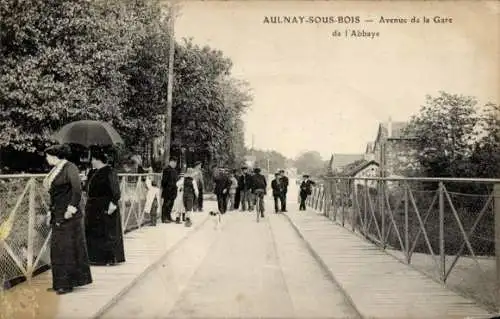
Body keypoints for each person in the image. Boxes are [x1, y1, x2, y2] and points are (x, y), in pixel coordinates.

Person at [43, 144, 92, 295]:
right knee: (57, 249)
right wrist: (51, 212)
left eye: (48, 156)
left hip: (68, 215)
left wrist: (71, 209)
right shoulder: (56, 169)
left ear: (54, 156)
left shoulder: (69, 167)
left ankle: (66, 284)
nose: (46, 159)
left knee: (66, 249)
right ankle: (59, 282)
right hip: (57, 212)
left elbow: (77, 189)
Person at [84, 149, 125, 266]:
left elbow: (115, 189)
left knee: (106, 231)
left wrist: (113, 202)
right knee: (93, 231)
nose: (91, 162)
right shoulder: (92, 172)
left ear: (97, 160)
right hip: (93, 206)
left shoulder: (109, 171)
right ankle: (93, 257)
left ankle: (108, 258)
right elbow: (87, 188)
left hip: (104, 205)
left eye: (92, 159)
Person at [160, 158, 178, 223]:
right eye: (174, 162)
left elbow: (175, 181)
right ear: (171, 162)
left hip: (173, 190)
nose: (175, 164)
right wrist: (166, 188)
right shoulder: (166, 170)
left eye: (176, 163)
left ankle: (168, 217)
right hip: (167, 190)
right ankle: (164, 218)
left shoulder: (175, 171)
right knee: (166, 204)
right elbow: (163, 181)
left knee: (171, 204)